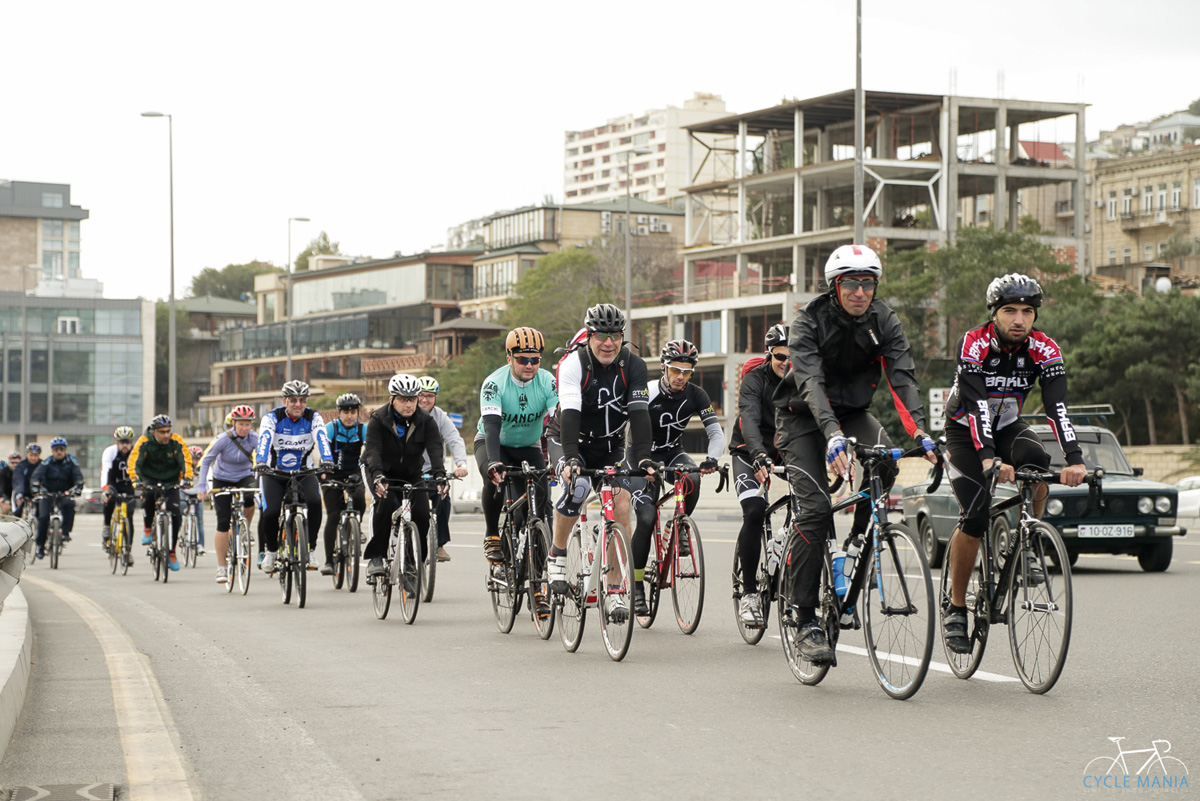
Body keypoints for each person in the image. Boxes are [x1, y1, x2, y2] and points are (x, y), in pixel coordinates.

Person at [772, 244, 937, 664]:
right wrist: (832, 435)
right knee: (814, 510)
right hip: (801, 418)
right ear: (835, 286)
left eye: (868, 283)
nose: (860, 292)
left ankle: (859, 538)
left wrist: (919, 430)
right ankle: (805, 619)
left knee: (886, 461)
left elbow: (902, 377)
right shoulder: (808, 320)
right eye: (851, 283)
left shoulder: (884, 319)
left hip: (853, 414)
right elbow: (810, 383)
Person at [940, 273, 1087, 654]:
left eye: (1027, 311)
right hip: (964, 430)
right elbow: (976, 406)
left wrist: (1075, 459)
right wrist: (988, 458)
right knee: (975, 515)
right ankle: (957, 607)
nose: (1019, 319)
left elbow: (1057, 407)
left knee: (1037, 461)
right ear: (994, 313)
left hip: (1007, 426)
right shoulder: (973, 343)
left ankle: (1028, 540)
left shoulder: (1045, 349)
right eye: (1009, 311)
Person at [545, 303, 655, 623]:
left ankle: (616, 589)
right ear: (589, 336)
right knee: (578, 487)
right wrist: (571, 458)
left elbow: (639, 416)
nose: (608, 343)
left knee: (621, 503)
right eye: (601, 336)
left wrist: (644, 457)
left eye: (615, 336)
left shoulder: (634, 366)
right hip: (569, 439)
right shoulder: (574, 364)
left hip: (610, 445)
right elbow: (570, 415)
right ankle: (557, 554)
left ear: (623, 337)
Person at [626, 339, 724, 616]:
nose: (681, 376)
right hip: (640, 456)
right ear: (664, 368)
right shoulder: (647, 391)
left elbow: (715, 433)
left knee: (692, 478)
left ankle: (679, 524)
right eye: (675, 370)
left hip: (672, 454)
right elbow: (624, 424)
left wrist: (712, 459)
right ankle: (637, 586)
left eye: (687, 371)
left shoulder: (697, 395)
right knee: (646, 518)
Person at [475, 327, 558, 615]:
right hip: (494, 443)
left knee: (540, 511)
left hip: (529, 447)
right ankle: (492, 535)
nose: (529, 366)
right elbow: (492, 427)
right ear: (509, 357)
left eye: (535, 360)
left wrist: (561, 459)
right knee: (494, 479)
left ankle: (537, 587)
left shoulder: (547, 381)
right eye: (523, 359)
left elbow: (558, 422)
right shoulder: (493, 384)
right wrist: (494, 463)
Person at [729, 323, 790, 627]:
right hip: (748, 450)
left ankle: (784, 548)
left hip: (784, 449)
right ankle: (750, 593)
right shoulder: (755, 379)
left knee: (811, 507)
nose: (787, 363)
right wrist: (757, 454)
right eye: (780, 356)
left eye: (793, 357)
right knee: (754, 510)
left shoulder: (803, 379)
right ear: (769, 355)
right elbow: (749, 420)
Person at [361, 373, 445, 587]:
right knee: (385, 502)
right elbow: (373, 450)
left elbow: (435, 448)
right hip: (379, 470)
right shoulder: (378, 419)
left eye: (412, 399)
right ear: (392, 400)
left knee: (422, 513)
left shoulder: (426, 420)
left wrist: (440, 475)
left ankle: (412, 564)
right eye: (403, 399)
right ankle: (377, 556)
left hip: (410, 473)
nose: (409, 404)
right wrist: (378, 475)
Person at [254, 380, 332, 574]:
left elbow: (321, 437)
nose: (298, 404)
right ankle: (272, 551)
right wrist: (261, 461)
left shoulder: (313, 417)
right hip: (274, 473)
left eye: (302, 400)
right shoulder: (272, 418)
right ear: (285, 401)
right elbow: (264, 439)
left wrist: (327, 459)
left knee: (315, 502)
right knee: (270, 512)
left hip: (303, 471)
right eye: (293, 400)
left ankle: (310, 549)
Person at [197, 405, 259, 584]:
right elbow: (206, 461)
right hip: (222, 478)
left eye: (247, 424)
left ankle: (245, 528)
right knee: (223, 521)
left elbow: (265, 457)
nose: (244, 428)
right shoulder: (223, 439)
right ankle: (221, 567)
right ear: (233, 423)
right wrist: (202, 487)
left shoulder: (255, 438)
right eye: (241, 424)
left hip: (245, 476)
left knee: (250, 497)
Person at [129, 415, 193, 571]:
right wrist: (136, 480)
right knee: (149, 496)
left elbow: (185, 461)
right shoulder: (144, 441)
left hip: (171, 480)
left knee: (176, 514)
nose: (166, 435)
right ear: (154, 432)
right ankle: (147, 528)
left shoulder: (176, 441)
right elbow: (135, 462)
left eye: (168, 431)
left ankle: (171, 551)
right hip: (150, 478)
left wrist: (187, 478)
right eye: (162, 432)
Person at [416, 376, 469, 563]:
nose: (424, 400)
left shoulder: (440, 417)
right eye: (421, 395)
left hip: (433, 470)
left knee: (443, 498)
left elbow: (454, 439)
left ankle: (438, 545)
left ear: (436, 398)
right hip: (409, 471)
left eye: (429, 396)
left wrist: (461, 464)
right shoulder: (407, 413)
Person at [320, 393, 366, 576]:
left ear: (357, 413)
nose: (349, 416)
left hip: (353, 472)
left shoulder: (362, 429)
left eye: (353, 412)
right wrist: (324, 469)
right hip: (331, 473)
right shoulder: (331, 428)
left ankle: (356, 527)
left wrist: (366, 465)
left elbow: (369, 449)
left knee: (360, 499)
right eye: (346, 412)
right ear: (339, 413)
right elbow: (323, 448)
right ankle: (329, 561)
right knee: (333, 514)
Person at [29, 437, 85, 559]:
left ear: (65, 450)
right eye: (56, 449)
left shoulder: (72, 462)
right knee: (43, 517)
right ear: (52, 451)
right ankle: (40, 546)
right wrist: (35, 487)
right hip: (48, 493)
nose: (59, 452)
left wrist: (78, 488)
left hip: (64, 493)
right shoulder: (47, 462)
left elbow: (78, 477)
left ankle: (65, 532)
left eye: (61, 449)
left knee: (70, 505)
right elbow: (36, 476)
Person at [100, 427, 137, 553]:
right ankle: (107, 526)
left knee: (129, 518)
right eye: (122, 442)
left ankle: (128, 550)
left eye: (127, 442)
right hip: (114, 484)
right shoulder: (110, 452)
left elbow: (142, 471)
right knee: (109, 500)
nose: (125, 445)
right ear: (116, 442)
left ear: (132, 442)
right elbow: (105, 470)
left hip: (129, 486)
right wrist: (105, 488)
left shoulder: (136, 453)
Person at [182, 445, 207, 554]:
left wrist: (207, 492)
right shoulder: (183, 467)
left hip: (197, 493)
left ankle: (200, 545)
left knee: (199, 518)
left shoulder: (204, 467)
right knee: (179, 508)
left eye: (197, 459)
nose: (195, 462)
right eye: (193, 459)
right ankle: (181, 531)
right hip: (184, 491)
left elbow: (209, 480)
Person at [12, 444, 43, 519]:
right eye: (31, 455)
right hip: (23, 490)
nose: (33, 458)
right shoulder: (21, 465)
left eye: (36, 455)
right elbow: (18, 481)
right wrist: (19, 494)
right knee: (18, 512)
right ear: (27, 454)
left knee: (42, 513)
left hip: (37, 491)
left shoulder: (43, 465)